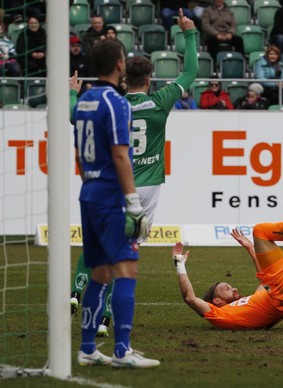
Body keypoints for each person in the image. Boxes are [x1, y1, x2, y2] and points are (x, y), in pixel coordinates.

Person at [70, 8, 199, 338]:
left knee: (101, 246)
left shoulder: (117, 103)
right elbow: (191, 72)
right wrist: (189, 33)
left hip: (117, 184)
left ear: (125, 79)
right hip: (147, 189)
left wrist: (73, 90)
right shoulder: (161, 101)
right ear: (151, 79)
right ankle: (107, 318)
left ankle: (78, 290)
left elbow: (75, 116)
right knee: (126, 255)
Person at [172, 144, 283, 330]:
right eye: (226, 289)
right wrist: (179, 264)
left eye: (229, 286)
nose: (234, 289)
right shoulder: (220, 315)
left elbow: (267, 278)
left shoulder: (252, 302)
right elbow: (189, 298)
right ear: (216, 300)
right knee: (260, 231)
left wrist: (250, 248)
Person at [72, 38, 160, 368]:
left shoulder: (83, 102)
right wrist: (133, 202)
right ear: (119, 65)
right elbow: (121, 155)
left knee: (99, 272)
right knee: (126, 268)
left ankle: (87, 348)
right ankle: (122, 350)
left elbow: (80, 154)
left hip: (89, 193)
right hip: (110, 198)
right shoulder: (117, 102)